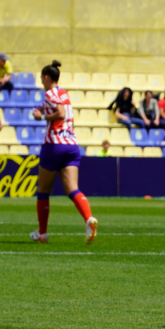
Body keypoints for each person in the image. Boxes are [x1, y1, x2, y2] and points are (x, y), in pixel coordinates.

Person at [30, 60, 97, 244]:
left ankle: (42, 234)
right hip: (71, 145)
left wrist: (41, 116)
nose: (41, 82)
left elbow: (60, 113)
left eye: (42, 78)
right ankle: (89, 218)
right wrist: (45, 111)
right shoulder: (64, 93)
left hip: (54, 145)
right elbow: (66, 115)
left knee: (43, 190)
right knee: (72, 189)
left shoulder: (50, 93)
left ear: (46, 77)